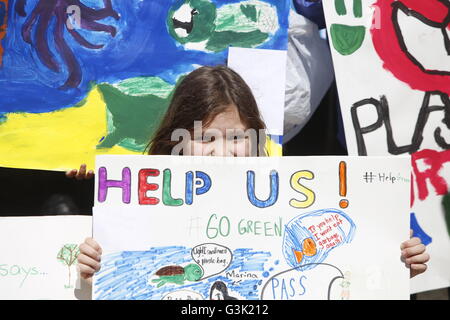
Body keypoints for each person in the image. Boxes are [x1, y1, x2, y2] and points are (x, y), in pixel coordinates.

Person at [72, 66, 429, 286]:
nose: (222, 152)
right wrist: (90, 271)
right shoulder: (134, 209)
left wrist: (392, 267)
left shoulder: (290, 210)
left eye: (238, 138)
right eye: (205, 138)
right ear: (176, 139)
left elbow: (333, 274)